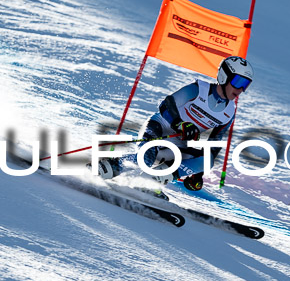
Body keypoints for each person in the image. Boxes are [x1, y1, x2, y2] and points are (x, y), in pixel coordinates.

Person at [95, 56, 254, 192]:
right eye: (238, 81)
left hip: (177, 144)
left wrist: (197, 174)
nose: (240, 89)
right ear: (224, 76)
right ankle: (106, 168)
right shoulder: (198, 90)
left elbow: (214, 143)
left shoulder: (229, 112)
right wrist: (180, 124)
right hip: (158, 129)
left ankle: (151, 184)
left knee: (207, 161)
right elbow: (166, 106)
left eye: (245, 84)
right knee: (145, 160)